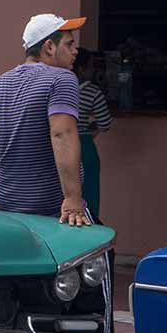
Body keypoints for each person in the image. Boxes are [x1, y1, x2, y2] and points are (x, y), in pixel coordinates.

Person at [0, 13, 112, 333]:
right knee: (94, 272)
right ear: (49, 47)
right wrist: (73, 199)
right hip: (51, 208)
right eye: (70, 43)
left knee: (22, 285)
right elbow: (62, 131)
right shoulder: (61, 80)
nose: (76, 52)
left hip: (10, 207)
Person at [74, 48, 113, 220]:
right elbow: (105, 122)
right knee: (89, 195)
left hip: (59, 145)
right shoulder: (93, 92)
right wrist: (91, 127)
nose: (94, 70)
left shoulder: (59, 88)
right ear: (82, 69)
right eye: (91, 67)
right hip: (84, 146)